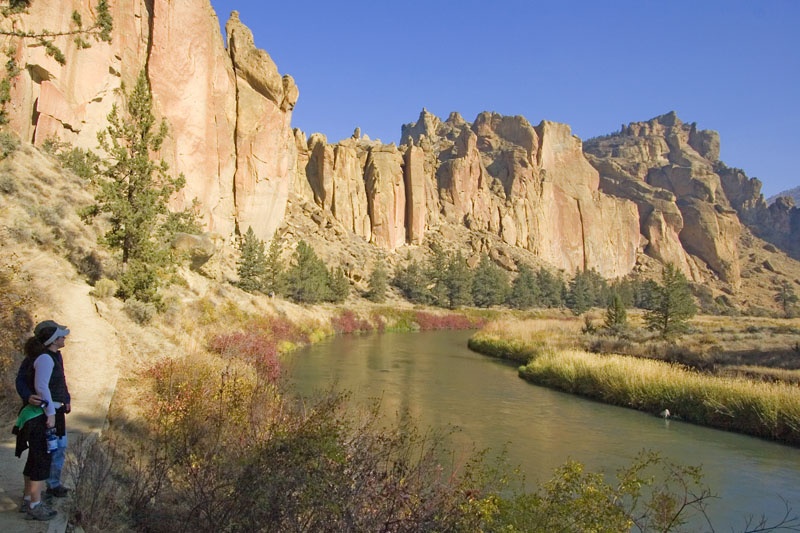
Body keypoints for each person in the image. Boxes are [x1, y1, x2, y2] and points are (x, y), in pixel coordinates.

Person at [14, 320, 72, 514]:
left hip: (45, 412)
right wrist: (50, 413)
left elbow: (57, 382)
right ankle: (34, 504)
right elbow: (40, 386)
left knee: (37, 457)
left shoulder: (49, 356)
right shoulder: (44, 358)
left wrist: (66, 399)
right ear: (53, 339)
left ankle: (29, 498)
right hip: (43, 414)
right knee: (41, 458)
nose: (65, 338)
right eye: (61, 335)